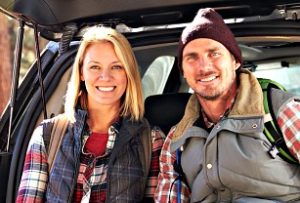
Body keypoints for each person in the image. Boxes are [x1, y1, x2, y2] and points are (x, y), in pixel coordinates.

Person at [155, 8, 300, 203]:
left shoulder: (282, 111)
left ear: (235, 61)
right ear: (183, 71)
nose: (204, 67)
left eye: (214, 54)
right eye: (192, 57)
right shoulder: (176, 140)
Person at [16, 26, 164, 202]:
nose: (105, 76)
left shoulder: (151, 141)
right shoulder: (48, 134)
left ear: (128, 73)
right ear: (81, 73)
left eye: (116, 66)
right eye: (95, 67)